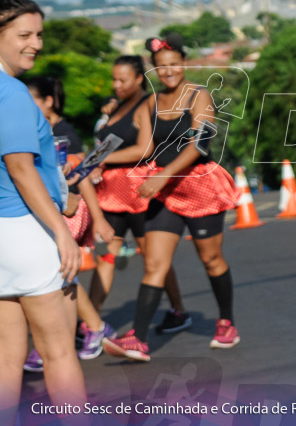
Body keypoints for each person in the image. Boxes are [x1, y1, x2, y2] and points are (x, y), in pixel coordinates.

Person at [103, 34, 240, 362]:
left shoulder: (199, 95)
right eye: (162, 67)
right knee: (154, 263)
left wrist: (164, 174)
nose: (168, 71)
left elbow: (200, 144)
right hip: (164, 193)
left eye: (174, 64)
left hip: (199, 186)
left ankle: (226, 323)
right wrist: (99, 158)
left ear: (184, 63)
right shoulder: (151, 103)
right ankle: (138, 338)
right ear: (154, 70)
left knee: (211, 259)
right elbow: (146, 148)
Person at [0, 0, 86, 416]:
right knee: (59, 354)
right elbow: (20, 168)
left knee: (5, 359)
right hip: (27, 231)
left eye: (39, 34)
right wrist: (60, 232)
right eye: (24, 35)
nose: (35, 43)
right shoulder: (13, 93)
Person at [88, 56, 189, 335]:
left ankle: (178, 310)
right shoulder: (117, 106)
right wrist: (91, 163)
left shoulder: (148, 103)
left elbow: (144, 149)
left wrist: (103, 160)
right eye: (114, 79)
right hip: (111, 194)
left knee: (154, 258)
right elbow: (106, 142)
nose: (116, 85)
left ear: (138, 79)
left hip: (140, 191)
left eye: (122, 80)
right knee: (105, 256)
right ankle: (90, 322)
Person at [22, 76, 116, 368]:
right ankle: (63, 336)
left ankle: (89, 329)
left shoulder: (64, 134)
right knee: (59, 278)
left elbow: (81, 171)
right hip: (44, 212)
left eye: (32, 99)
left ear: (48, 101)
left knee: (60, 277)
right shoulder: (35, 130)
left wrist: (95, 217)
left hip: (64, 214)